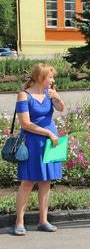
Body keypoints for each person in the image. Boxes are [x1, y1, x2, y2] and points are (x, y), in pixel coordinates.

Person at [13, 63, 65, 236]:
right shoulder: (24, 95)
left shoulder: (49, 93)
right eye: (50, 77)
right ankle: (19, 222)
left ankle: (43, 220)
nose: (53, 80)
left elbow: (61, 108)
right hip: (33, 141)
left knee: (46, 181)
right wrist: (48, 133)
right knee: (27, 182)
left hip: (52, 140)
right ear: (40, 77)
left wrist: (57, 97)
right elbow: (25, 124)